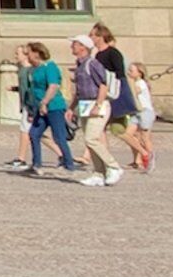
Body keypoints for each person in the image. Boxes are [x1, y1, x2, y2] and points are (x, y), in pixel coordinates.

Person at [92, 21, 153, 174]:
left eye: (92, 35)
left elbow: (120, 76)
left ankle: (144, 153)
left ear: (100, 37)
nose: (90, 37)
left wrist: (120, 97)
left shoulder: (113, 53)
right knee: (102, 130)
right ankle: (106, 162)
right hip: (104, 95)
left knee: (116, 129)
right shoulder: (98, 55)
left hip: (115, 95)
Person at [65, 34, 123, 186]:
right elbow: (79, 90)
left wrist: (98, 105)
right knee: (88, 139)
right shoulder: (79, 65)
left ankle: (113, 166)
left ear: (83, 47)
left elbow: (103, 85)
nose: (72, 47)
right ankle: (99, 173)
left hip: (97, 104)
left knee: (92, 138)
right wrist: (71, 108)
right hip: (84, 104)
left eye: (75, 44)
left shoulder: (93, 64)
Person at [12, 41, 72, 176]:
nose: (27, 56)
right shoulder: (34, 69)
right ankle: (36, 164)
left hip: (54, 107)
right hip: (40, 108)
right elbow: (33, 90)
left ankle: (68, 164)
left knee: (59, 137)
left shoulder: (49, 67)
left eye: (29, 53)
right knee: (34, 133)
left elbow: (53, 86)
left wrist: (45, 102)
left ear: (37, 53)